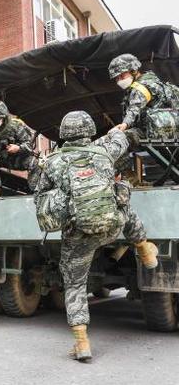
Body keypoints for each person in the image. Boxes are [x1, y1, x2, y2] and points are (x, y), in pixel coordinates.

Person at [35, 111, 158, 362]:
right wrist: (116, 132)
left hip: (79, 233)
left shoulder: (53, 162)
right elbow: (122, 140)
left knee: (75, 285)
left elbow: (40, 193)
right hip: (111, 227)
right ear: (89, 131)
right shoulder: (105, 152)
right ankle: (143, 247)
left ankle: (81, 343)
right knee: (121, 199)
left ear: (63, 135)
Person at [109, 53, 178, 140]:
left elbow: (134, 109)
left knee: (117, 139)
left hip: (155, 131)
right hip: (170, 129)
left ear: (133, 70)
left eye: (122, 76)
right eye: (117, 78)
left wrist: (125, 124)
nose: (119, 80)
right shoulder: (152, 80)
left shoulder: (140, 87)